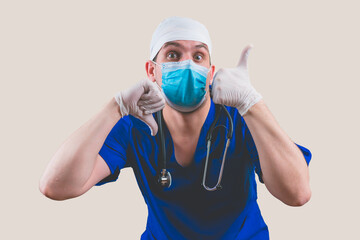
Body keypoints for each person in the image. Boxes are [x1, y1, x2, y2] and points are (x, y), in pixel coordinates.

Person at [39, 16, 312, 240]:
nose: (187, 64)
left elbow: (297, 193)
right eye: (173, 54)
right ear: (152, 70)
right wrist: (115, 106)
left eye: (198, 56)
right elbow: (55, 186)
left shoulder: (239, 119)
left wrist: (253, 104)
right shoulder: (135, 126)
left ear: (210, 70)